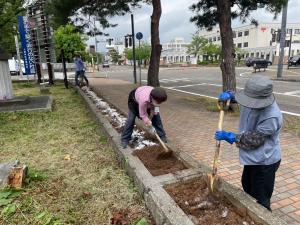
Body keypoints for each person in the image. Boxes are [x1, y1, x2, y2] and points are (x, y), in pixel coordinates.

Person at [215, 75, 282, 211]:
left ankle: (263, 217)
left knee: (260, 198)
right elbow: (243, 98)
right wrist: (230, 96)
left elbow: (253, 140)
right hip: (253, 158)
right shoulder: (252, 97)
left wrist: (231, 137)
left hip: (265, 161)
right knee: (247, 185)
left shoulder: (272, 116)